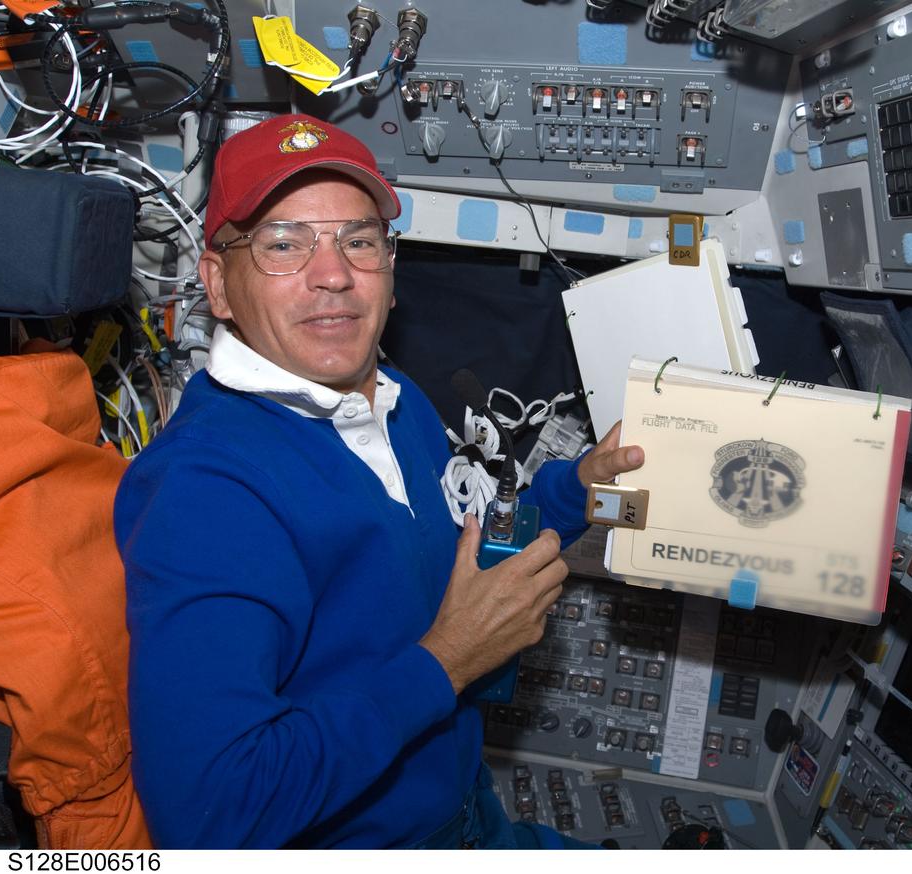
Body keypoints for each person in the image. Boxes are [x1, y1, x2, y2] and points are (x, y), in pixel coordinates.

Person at [114, 113, 644, 849]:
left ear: (391, 273)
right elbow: (214, 816)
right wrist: (446, 663)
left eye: (358, 240)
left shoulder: (391, 400)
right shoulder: (207, 493)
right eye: (283, 244)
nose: (332, 273)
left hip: (468, 819)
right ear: (219, 286)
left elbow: (465, 542)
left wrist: (571, 491)